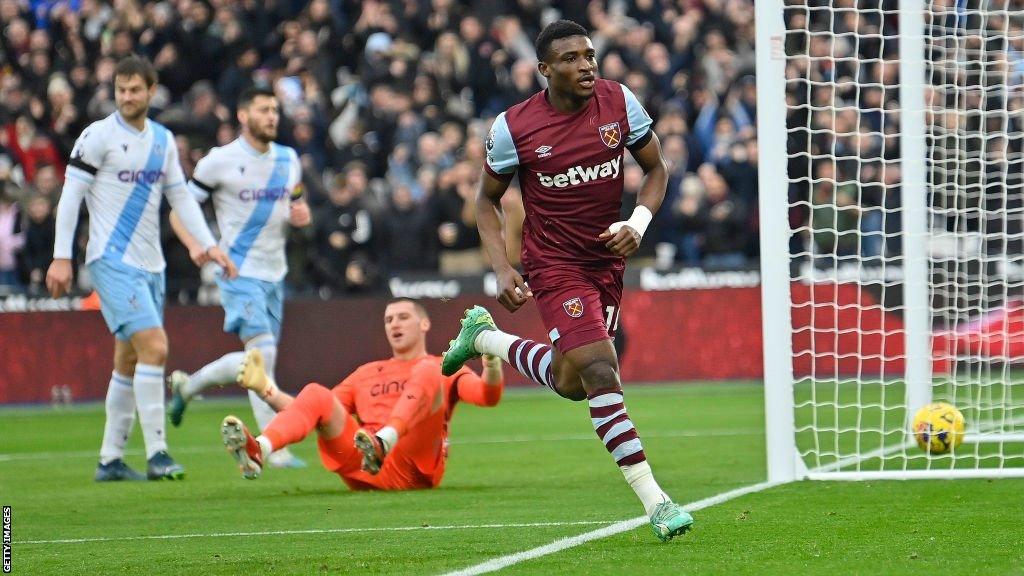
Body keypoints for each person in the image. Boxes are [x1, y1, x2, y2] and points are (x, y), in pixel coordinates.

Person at [440, 20, 693, 541]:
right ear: (544, 70)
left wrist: (636, 224)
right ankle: (657, 502)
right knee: (602, 370)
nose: (586, 65)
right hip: (554, 265)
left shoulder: (620, 102)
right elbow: (485, 200)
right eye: (572, 58)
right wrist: (503, 268)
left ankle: (483, 338)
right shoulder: (514, 127)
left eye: (590, 55)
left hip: (607, 260)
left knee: (571, 382)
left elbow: (657, 170)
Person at [46, 55, 237, 482]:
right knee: (156, 347)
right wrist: (62, 256)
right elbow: (71, 198)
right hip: (110, 260)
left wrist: (208, 244)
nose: (127, 97)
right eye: (121, 89)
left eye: (135, 89)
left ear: (152, 92)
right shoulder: (97, 136)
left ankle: (110, 459)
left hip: (152, 264)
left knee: (128, 360)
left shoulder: (164, 141)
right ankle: (158, 453)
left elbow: (181, 199)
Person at [164, 86, 311, 469]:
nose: (272, 116)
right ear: (243, 116)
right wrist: (199, 246)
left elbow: (296, 200)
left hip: (274, 272)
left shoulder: (288, 159)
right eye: (263, 109)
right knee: (263, 356)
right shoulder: (219, 161)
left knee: (259, 360)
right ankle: (273, 448)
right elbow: (180, 211)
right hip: (236, 270)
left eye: (275, 109)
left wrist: (302, 214)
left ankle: (188, 386)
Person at [219, 298, 504, 490]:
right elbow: (314, 412)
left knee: (430, 369)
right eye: (389, 320)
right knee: (317, 392)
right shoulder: (367, 372)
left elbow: (487, 396)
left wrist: (490, 360)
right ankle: (260, 449)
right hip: (364, 463)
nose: (395, 324)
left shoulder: (444, 366)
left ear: (424, 324)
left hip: (414, 465)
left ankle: (385, 440)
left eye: (403, 317)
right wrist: (266, 390)